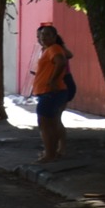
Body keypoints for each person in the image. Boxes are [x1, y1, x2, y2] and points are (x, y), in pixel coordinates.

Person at [31, 23, 74, 163]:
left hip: (50, 92)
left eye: (47, 35)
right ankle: (52, 152)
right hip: (47, 92)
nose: (43, 38)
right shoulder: (48, 49)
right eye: (41, 35)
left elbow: (61, 62)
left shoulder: (54, 49)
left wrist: (53, 80)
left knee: (46, 125)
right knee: (51, 123)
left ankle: (50, 154)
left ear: (55, 37)